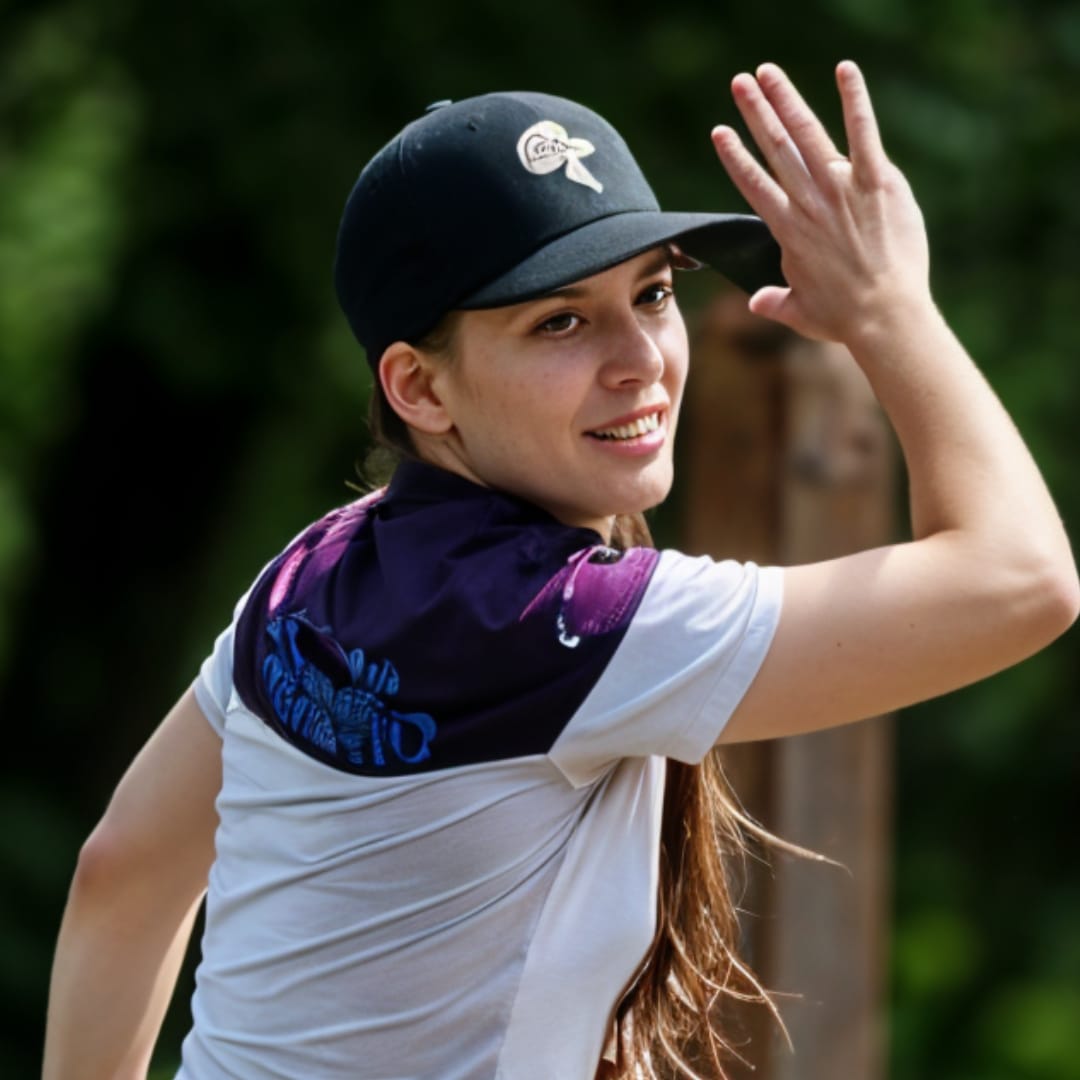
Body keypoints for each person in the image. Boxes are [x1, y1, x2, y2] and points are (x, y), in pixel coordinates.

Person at [42, 61, 1078, 1080]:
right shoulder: (556, 621)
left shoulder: (314, 575)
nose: (643, 359)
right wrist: (892, 311)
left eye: (656, 292)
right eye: (561, 321)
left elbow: (121, 873)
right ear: (420, 388)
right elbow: (1022, 582)